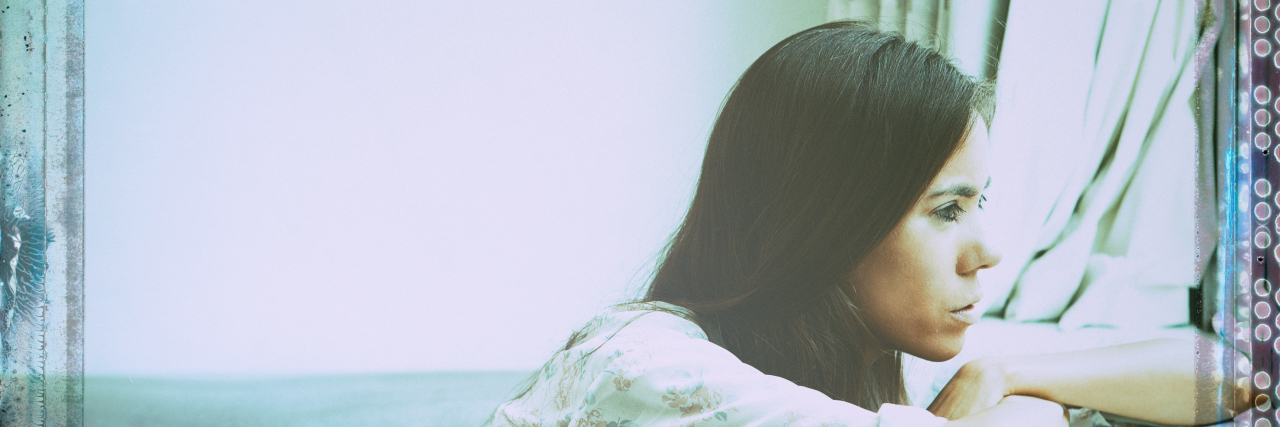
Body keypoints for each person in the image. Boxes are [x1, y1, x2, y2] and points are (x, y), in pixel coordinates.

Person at [486, 21, 1248, 427]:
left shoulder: (872, 348)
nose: (988, 250)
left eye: (980, 202)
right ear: (825, 222)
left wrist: (1006, 371)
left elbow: (1235, 377)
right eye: (947, 210)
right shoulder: (640, 364)